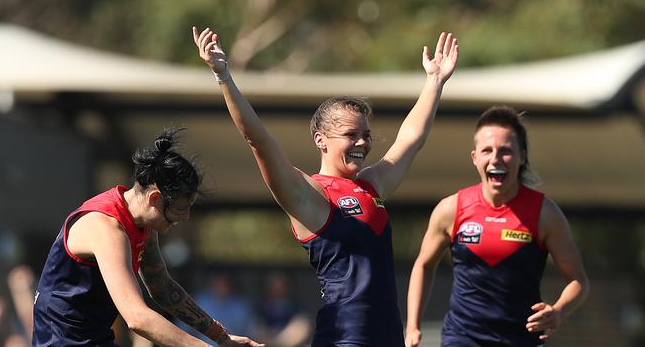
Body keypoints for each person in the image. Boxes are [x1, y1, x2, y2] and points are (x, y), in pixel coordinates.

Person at [193, 26, 458, 346]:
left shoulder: (371, 185)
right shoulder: (309, 194)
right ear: (320, 140)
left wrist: (434, 81)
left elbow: (410, 140)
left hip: (389, 336)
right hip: (345, 337)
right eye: (350, 135)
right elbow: (258, 139)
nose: (362, 142)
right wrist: (224, 76)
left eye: (366, 135)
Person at [31, 128, 263, 347]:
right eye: (181, 208)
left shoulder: (141, 223)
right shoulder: (107, 227)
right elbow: (137, 317)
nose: (186, 216)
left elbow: (161, 287)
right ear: (154, 199)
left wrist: (222, 337)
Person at [405, 106, 590, 347]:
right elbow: (423, 264)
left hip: (522, 340)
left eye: (505, 151)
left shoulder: (545, 213)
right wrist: (412, 326)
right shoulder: (451, 209)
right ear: (474, 158)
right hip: (462, 338)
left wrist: (558, 311)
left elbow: (579, 281)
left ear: (522, 156)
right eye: (487, 151)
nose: (495, 159)